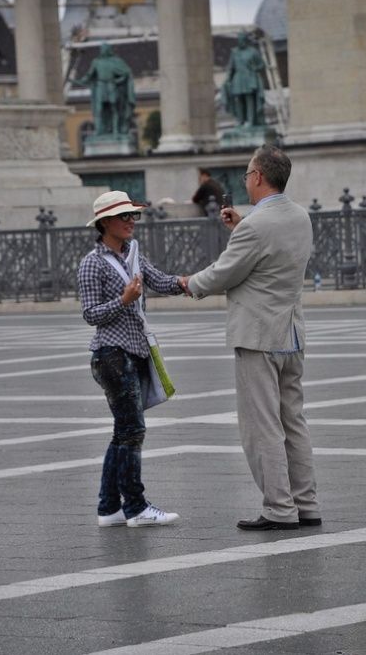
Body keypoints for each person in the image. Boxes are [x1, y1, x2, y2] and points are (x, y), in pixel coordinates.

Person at [182, 144, 321, 531]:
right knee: (293, 421)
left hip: (260, 337)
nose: (245, 180)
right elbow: (268, 250)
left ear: (258, 177)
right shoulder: (299, 217)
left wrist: (186, 283)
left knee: (262, 427)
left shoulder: (257, 227)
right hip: (291, 333)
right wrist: (241, 225)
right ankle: (306, 503)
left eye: (246, 174)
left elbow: (224, 272)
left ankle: (279, 508)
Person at [78, 190, 188, 528]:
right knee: (133, 430)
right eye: (124, 216)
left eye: (133, 216)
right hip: (111, 355)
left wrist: (191, 283)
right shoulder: (92, 263)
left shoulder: (134, 255)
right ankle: (135, 506)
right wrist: (123, 301)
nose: (131, 221)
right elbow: (90, 314)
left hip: (136, 351)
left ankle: (109, 508)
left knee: (123, 431)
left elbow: (160, 281)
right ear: (104, 223)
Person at [76, 42, 135, 136]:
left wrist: (118, 81)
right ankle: (99, 130)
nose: (102, 51)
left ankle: (116, 130)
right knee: (99, 109)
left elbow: (126, 73)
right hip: (100, 86)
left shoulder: (115, 61)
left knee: (114, 108)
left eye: (104, 49)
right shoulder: (96, 62)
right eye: (101, 49)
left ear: (108, 50)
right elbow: (89, 74)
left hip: (111, 85)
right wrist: (80, 81)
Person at [222, 30, 265, 127]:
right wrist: (228, 79)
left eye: (241, 40)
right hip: (238, 77)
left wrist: (256, 68)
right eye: (239, 40)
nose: (240, 42)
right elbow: (230, 67)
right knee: (238, 99)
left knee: (249, 99)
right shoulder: (234, 52)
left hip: (249, 77)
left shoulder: (253, 51)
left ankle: (250, 120)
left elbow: (261, 65)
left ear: (245, 40)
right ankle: (240, 119)